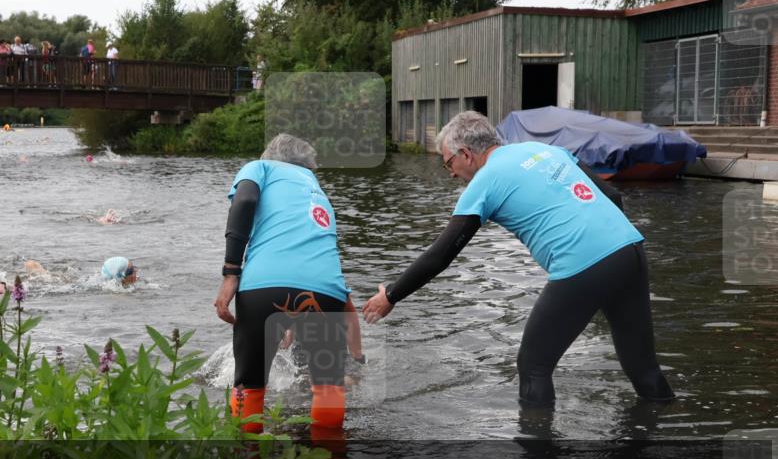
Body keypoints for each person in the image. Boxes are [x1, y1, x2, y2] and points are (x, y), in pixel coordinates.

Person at [361, 111, 675, 407]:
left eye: (448, 164)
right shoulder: (545, 150)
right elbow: (613, 197)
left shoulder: (485, 182)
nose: (452, 174)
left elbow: (442, 254)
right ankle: (667, 440)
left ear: (466, 154)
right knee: (643, 366)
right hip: (629, 249)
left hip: (582, 263)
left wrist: (391, 295)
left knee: (533, 367)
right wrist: (609, 254)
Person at [214, 133, 363, 433]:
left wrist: (231, 273)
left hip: (263, 287)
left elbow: (244, 200)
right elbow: (307, 270)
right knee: (328, 390)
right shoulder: (316, 191)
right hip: (327, 292)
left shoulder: (261, 168)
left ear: (270, 155)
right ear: (309, 165)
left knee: (250, 387)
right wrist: (358, 358)